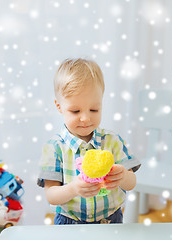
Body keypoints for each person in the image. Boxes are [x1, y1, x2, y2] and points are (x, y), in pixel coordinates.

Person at [37, 58, 140, 224]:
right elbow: (51, 195)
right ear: (59, 106)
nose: (85, 118)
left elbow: (132, 183)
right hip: (70, 221)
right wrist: (74, 188)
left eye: (94, 109)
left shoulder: (112, 141)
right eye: (75, 110)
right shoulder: (54, 148)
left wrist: (123, 176)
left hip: (110, 220)